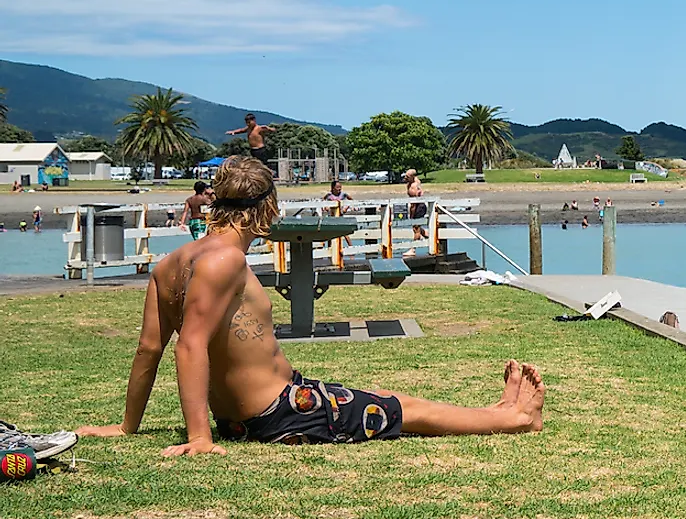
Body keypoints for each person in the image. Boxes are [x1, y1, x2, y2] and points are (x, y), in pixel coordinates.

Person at [76, 156, 544, 454]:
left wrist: (127, 426)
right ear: (266, 208)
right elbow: (189, 346)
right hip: (278, 410)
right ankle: (514, 418)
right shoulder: (224, 260)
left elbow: (148, 351)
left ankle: (498, 412)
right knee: (402, 406)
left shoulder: (171, 263)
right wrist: (199, 437)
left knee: (373, 400)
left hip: (257, 411)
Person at [404, 168, 428, 240]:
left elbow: (413, 203)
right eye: (405, 176)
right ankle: (431, 238)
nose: (405, 178)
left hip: (419, 207)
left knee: (416, 229)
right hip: (418, 206)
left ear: (412, 177)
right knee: (418, 228)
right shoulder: (413, 182)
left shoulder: (413, 187)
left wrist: (411, 215)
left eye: (407, 176)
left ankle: (413, 249)